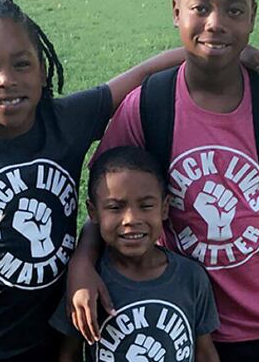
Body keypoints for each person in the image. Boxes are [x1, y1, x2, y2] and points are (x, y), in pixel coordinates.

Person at [0, 0, 259, 362]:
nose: (6, 79)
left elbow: (143, 72)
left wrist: (224, 53)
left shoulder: (67, 121)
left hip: (52, 327)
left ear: (42, 69)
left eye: (22, 64)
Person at [68, 0, 259, 362]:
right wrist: (82, 265)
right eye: (200, 7)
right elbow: (104, 207)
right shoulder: (148, 106)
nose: (216, 23)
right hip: (177, 326)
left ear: (252, 15)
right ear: (177, 11)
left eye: (233, 10)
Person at [51, 146, 220, 362]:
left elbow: (204, 353)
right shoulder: (86, 285)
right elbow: (69, 354)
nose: (131, 219)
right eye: (115, 207)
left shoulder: (191, 277)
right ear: (93, 212)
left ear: (165, 208)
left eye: (146, 205)